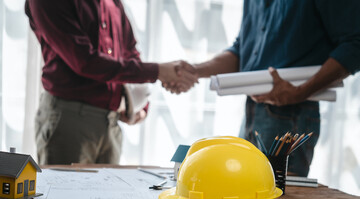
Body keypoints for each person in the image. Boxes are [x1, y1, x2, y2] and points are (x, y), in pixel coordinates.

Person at [171, 0, 360, 176]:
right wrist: (195, 70)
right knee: (244, 190)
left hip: (293, 114)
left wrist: (300, 92)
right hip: (253, 111)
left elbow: (355, 44)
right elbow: (242, 50)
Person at [25, 0, 198, 165]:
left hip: (111, 122)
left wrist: (139, 105)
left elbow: (130, 52)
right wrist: (158, 71)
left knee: (108, 195)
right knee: (63, 194)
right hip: (69, 119)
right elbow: (85, 61)